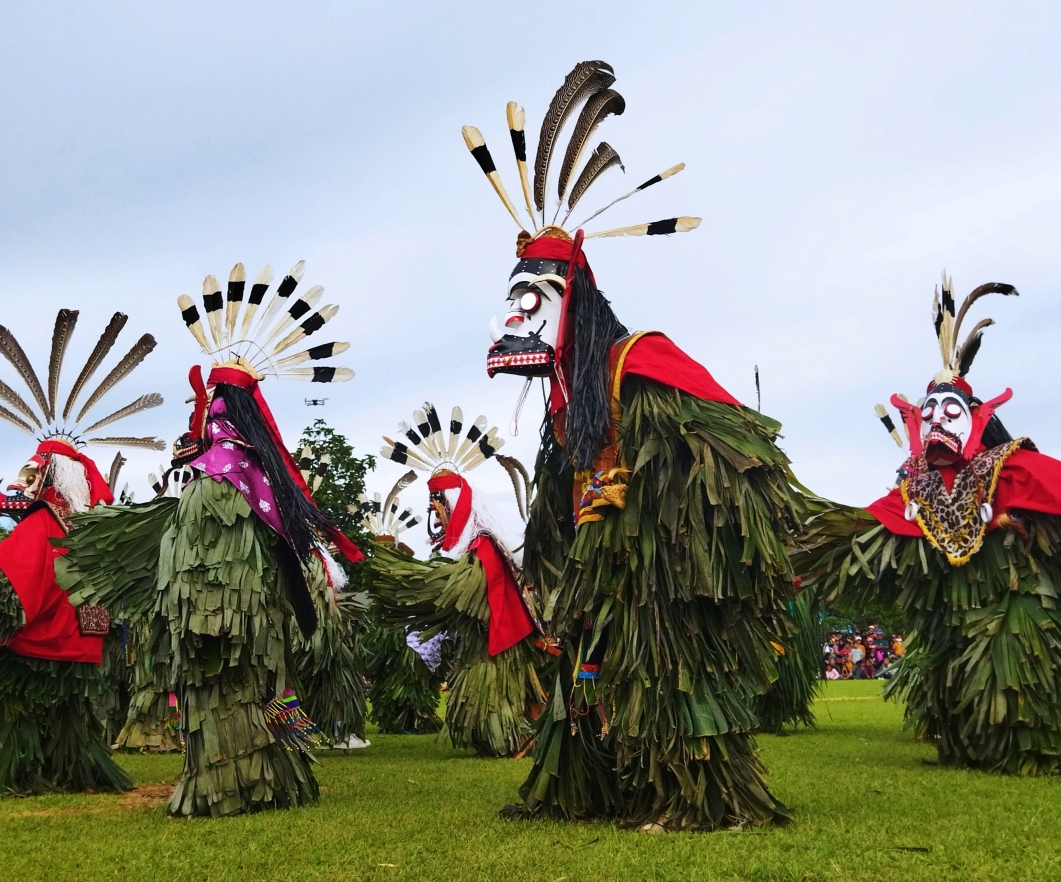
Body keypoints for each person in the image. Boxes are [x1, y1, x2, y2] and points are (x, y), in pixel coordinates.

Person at [463, 61, 804, 829]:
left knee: (668, 673)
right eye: (512, 298)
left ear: (572, 304)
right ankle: (589, 788)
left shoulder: (637, 365)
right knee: (588, 672)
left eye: (533, 299)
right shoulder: (567, 402)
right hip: (601, 565)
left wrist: (659, 525)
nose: (512, 316)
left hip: (662, 571)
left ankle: (699, 800)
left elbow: (729, 460)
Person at [59, 258, 365, 816]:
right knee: (236, 683)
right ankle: (254, 774)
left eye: (212, 408)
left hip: (227, 639)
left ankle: (251, 773)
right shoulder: (236, 488)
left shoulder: (231, 487)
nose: (203, 417)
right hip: (216, 644)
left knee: (244, 678)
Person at [802, 274, 1061, 774]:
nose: (939, 421)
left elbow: (1052, 488)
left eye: (951, 411)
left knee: (1013, 660)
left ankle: (1023, 751)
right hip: (951, 602)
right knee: (948, 667)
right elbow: (869, 526)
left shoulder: (1010, 465)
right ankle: (961, 743)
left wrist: (1019, 520)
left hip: (1012, 592)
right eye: (930, 413)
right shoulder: (915, 488)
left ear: (978, 418)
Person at [0, 309, 164, 795]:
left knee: (23, 711)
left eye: (35, 473)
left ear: (52, 476)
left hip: (40, 641)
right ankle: (70, 771)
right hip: (73, 643)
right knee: (66, 714)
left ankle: (21, 774)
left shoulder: (46, 526)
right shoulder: (81, 531)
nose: (26, 481)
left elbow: (13, 571)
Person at [369, 402, 546, 758]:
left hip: (497, 639)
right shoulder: (464, 548)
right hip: (477, 643)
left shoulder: (482, 545)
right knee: (475, 691)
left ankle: (513, 738)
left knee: (490, 691)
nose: (434, 509)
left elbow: (470, 594)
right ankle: (499, 739)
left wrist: (417, 588)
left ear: (454, 502)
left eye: (438, 502)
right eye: (431, 502)